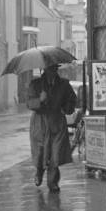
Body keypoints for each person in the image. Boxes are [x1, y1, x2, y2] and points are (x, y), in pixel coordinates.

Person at [27, 64, 77, 193]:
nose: (52, 71)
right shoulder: (35, 84)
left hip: (57, 123)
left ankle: (52, 182)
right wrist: (40, 100)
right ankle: (39, 172)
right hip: (40, 124)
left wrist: (66, 107)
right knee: (40, 153)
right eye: (50, 69)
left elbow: (72, 101)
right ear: (44, 69)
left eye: (54, 69)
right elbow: (29, 103)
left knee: (55, 154)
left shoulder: (64, 85)